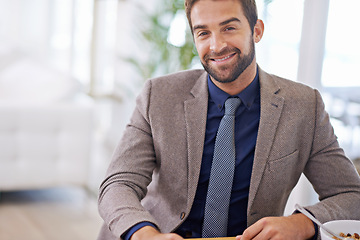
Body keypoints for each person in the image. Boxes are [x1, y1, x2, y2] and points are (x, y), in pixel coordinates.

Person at [97, 0, 360, 239]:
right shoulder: (158, 95)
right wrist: (146, 235)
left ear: (256, 30)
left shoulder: (304, 106)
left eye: (229, 28)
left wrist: (304, 223)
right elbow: (118, 184)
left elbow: (352, 196)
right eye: (203, 33)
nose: (216, 45)